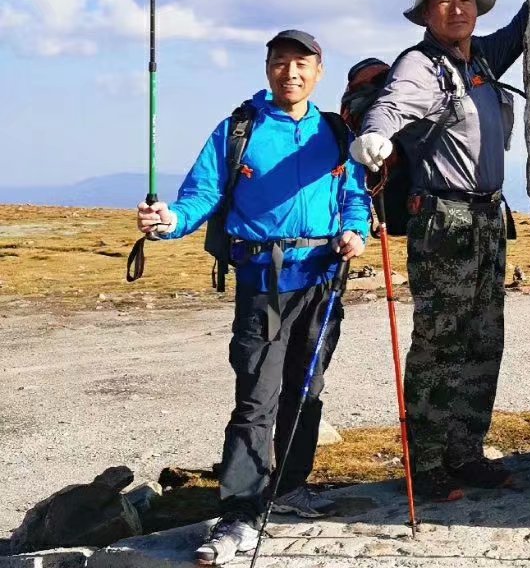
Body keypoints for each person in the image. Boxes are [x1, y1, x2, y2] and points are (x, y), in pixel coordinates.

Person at [135, 29, 370, 565]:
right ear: (267, 69)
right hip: (263, 282)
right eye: (280, 62)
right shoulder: (239, 128)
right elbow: (201, 194)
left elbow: (353, 194)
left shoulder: (336, 131)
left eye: (301, 63)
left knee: (307, 390)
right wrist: (169, 222)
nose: (291, 72)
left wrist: (355, 229)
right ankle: (239, 513)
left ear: (319, 70)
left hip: (323, 280)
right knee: (256, 399)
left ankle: (288, 489)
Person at [351, 0, 527, 502]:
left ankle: (466, 453)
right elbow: (391, 104)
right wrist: (375, 135)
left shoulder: (482, 59)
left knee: (483, 338)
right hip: (444, 218)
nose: (458, 8)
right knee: (440, 342)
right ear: (426, 14)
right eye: (445, 0)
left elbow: (525, 27)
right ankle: (424, 464)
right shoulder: (421, 64)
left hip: (489, 216)